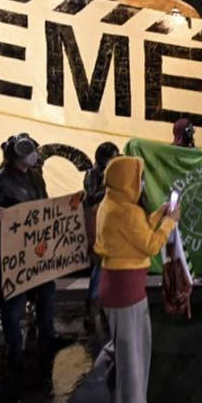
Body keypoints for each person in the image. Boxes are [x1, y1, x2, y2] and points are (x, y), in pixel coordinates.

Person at [66, 156, 179, 403]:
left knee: (127, 348)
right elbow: (150, 244)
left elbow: (138, 231)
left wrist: (160, 214)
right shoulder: (125, 210)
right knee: (131, 358)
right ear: (126, 180)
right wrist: (171, 222)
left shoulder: (113, 202)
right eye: (137, 177)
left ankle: (87, 399)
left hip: (122, 288)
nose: (140, 182)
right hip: (124, 291)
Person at [0, 133, 63, 369]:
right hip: (11, 252)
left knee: (47, 290)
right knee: (12, 301)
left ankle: (48, 336)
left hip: (36, 249)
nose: (36, 154)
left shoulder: (36, 178)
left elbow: (44, 205)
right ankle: (14, 350)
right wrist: (0, 219)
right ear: (20, 153)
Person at [82, 142, 120, 332]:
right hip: (96, 225)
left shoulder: (112, 171)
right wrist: (111, 188)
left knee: (107, 268)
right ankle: (91, 307)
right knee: (98, 267)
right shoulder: (92, 173)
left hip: (109, 225)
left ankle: (104, 305)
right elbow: (90, 197)